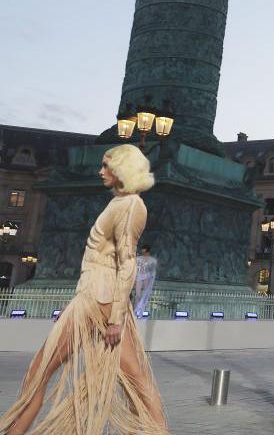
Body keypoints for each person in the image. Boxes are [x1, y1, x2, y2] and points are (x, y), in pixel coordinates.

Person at [0, 144, 168, 435]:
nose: (100, 171)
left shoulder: (130, 206)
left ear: (122, 169)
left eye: (106, 166)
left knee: (37, 375)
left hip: (98, 300)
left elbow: (127, 263)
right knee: (137, 382)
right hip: (96, 296)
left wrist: (115, 318)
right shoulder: (122, 203)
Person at [133, 245, 158, 318]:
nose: (144, 253)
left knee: (144, 294)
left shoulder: (152, 260)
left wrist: (151, 276)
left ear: (148, 252)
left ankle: (141, 311)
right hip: (139, 277)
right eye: (143, 251)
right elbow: (135, 269)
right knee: (138, 294)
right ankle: (136, 310)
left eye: (145, 251)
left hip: (147, 277)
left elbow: (153, 271)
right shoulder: (138, 259)